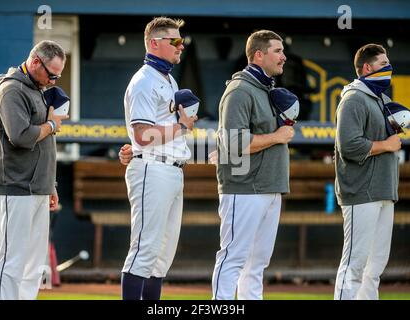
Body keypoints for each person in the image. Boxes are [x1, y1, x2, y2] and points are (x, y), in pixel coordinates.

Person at [212, 30, 295, 300]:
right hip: (244, 188)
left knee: (256, 265)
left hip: (269, 187)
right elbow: (233, 143)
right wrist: (277, 137)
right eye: (277, 51)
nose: (283, 57)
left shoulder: (265, 89)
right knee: (233, 258)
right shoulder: (239, 91)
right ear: (258, 55)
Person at [121, 16, 197, 300]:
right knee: (145, 249)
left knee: (162, 256)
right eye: (174, 41)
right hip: (152, 169)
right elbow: (141, 135)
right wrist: (182, 125)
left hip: (172, 169)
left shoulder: (168, 78)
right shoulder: (143, 81)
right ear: (154, 43)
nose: (181, 46)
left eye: (181, 41)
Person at [0, 40, 68, 300]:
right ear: (35, 62)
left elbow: (44, 144)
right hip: (16, 185)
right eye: (52, 74)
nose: (54, 81)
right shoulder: (12, 90)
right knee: (12, 261)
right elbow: (21, 137)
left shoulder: (37, 88)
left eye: (58, 76)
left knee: (33, 265)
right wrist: (52, 125)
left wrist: (51, 184)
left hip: (39, 187)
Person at [334, 44, 402, 300]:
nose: (388, 68)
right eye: (383, 63)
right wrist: (386, 144)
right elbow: (348, 145)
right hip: (361, 192)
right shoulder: (353, 98)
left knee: (374, 270)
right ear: (367, 68)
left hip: (384, 190)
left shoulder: (378, 99)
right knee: (354, 266)